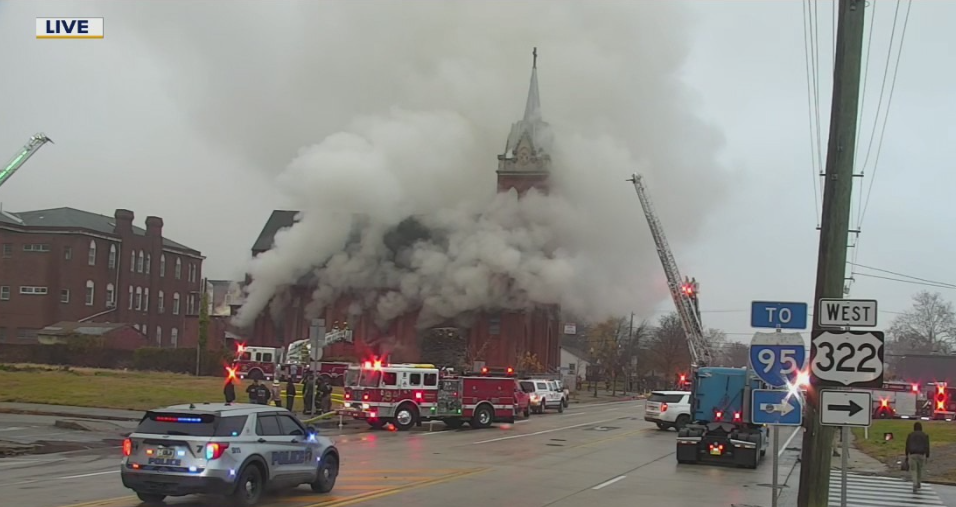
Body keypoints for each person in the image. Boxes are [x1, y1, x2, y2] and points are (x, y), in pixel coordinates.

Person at [905, 421, 931, 493]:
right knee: (920, 469)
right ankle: (919, 482)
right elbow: (927, 445)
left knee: (914, 470)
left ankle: (915, 483)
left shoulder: (910, 435)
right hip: (921, 454)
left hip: (913, 454)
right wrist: (927, 455)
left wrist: (907, 454)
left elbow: (907, 445)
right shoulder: (925, 435)